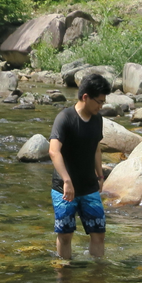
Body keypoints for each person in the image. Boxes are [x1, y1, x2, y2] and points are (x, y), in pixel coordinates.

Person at [49, 71, 110, 261]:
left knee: (98, 233)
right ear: (85, 97)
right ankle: (64, 270)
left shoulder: (97, 119)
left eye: (103, 102)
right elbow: (54, 151)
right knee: (65, 234)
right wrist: (67, 181)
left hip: (89, 187)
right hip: (64, 189)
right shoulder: (65, 118)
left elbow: (96, 148)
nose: (101, 106)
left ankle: (97, 270)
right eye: (99, 102)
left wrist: (100, 175)